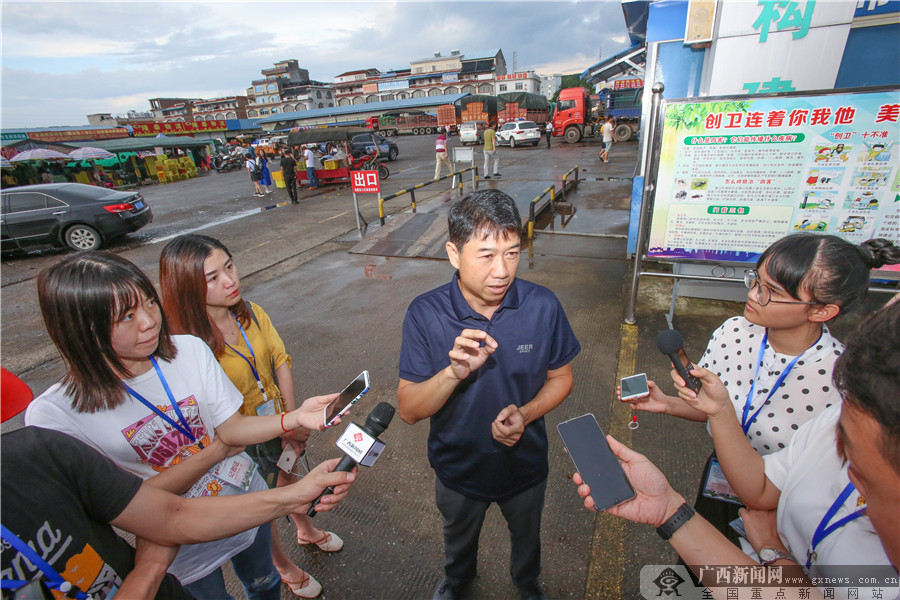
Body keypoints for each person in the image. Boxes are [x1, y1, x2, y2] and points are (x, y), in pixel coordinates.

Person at [24, 251, 345, 600]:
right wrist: (216, 451)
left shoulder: (189, 350)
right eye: (127, 316)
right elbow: (133, 506)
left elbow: (233, 428)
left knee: (263, 581)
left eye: (149, 302)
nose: (149, 321)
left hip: (247, 502)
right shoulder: (54, 417)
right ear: (80, 329)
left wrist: (295, 417)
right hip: (179, 545)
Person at [573, 299, 900, 600]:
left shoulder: (835, 379)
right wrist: (669, 510)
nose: (848, 475)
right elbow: (761, 490)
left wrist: (774, 554)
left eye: (860, 468)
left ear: (823, 310)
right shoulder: (841, 414)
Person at [624, 234, 900, 539]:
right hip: (720, 479)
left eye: (771, 292)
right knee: (696, 572)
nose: (754, 295)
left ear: (821, 311)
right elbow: (716, 411)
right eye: (756, 281)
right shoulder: (734, 332)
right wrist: (667, 403)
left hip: (782, 511)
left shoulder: (844, 381)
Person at [397, 189, 581, 600]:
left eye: (512, 253)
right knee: (458, 539)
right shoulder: (425, 314)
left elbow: (562, 378)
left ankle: (527, 583)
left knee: (527, 539)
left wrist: (528, 414)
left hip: (526, 466)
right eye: (486, 255)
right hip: (458, 470)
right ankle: (458, 582)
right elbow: (409, 410)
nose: (502, 271)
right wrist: (452, 373)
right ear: (452, 253)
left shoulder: (542, 305)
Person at [158, 234, 345, 597]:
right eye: (212, 277)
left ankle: (305, 530)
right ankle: (282, 565)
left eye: (229, 266)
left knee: (288, 478)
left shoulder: (251, 312)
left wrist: (293, 420)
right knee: (260, 507)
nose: (231, 281)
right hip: (237, 443)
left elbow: (279, 362)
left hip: (278, 421)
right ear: (184, 287)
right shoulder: (184, 346)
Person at [1, 424, 355, 600]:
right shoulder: (53, 421)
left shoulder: (34, 453)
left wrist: (293, 496)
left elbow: (172, 516)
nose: (147, 322)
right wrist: (151, 569)